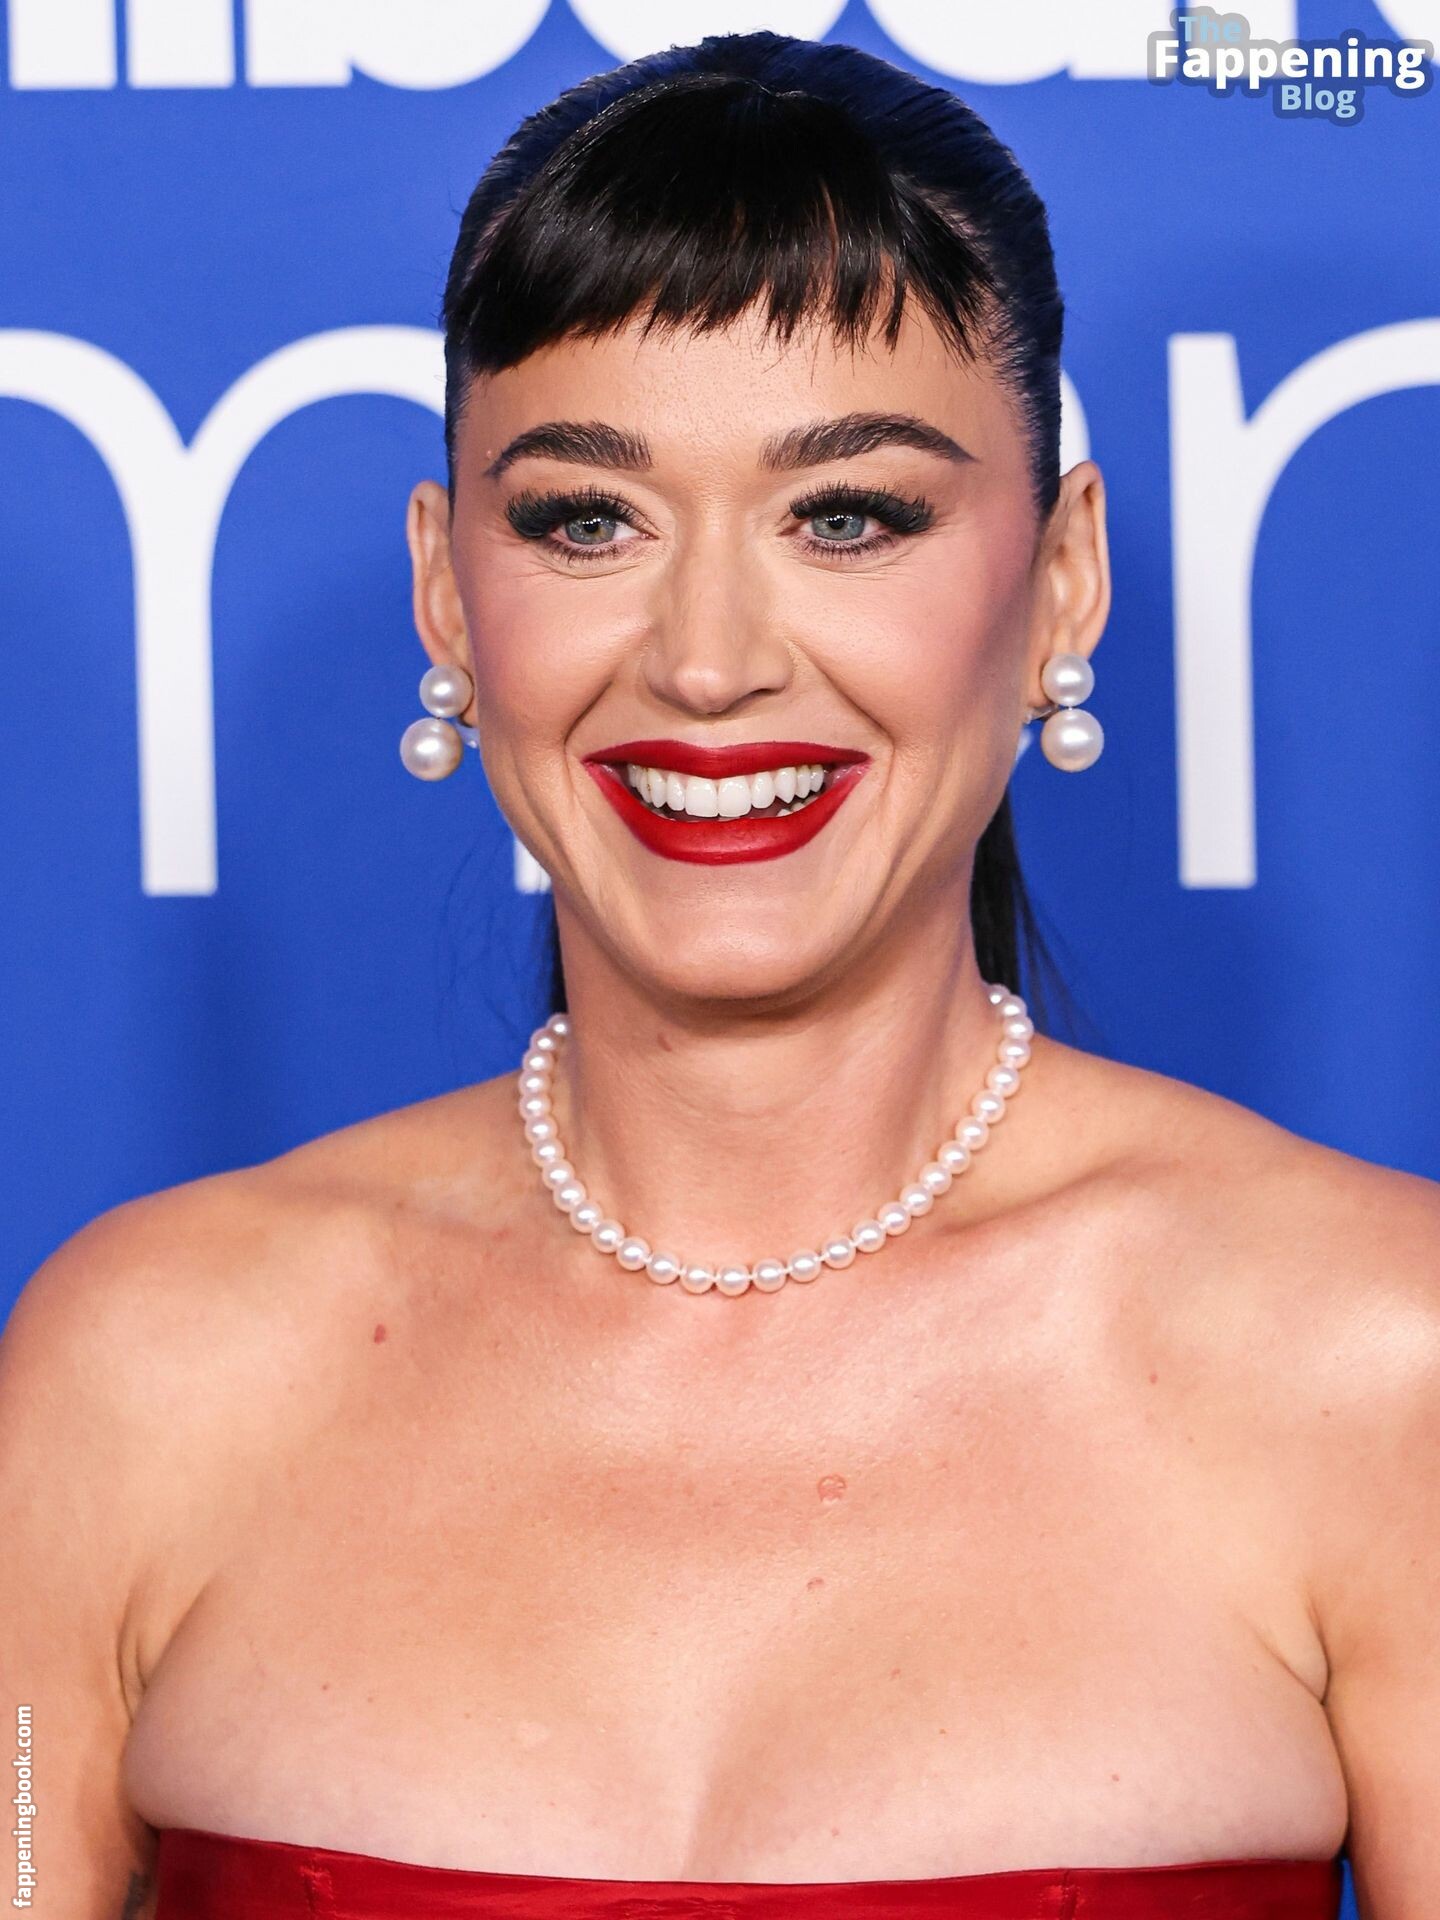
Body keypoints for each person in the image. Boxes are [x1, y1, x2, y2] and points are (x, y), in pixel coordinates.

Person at [3, 29, 1437, 1920]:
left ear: (1062, 582)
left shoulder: (1380, 1364)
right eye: (585, 520)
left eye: (848, 517)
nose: (705, 658)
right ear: (447, 592)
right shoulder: (142, 1370)